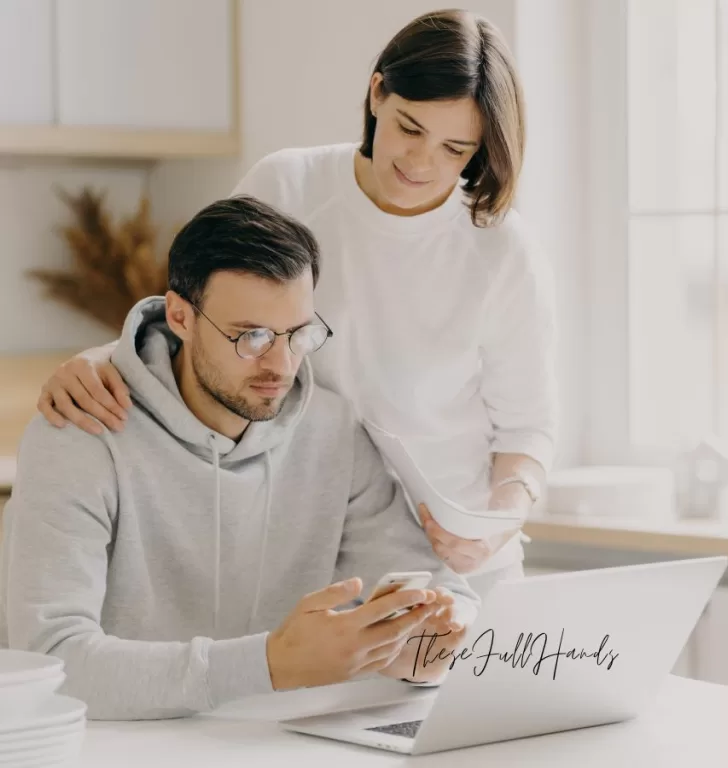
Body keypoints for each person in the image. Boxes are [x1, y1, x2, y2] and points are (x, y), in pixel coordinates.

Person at [34, 8, 558, 599]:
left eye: (455, 149)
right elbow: (203, 315)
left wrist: (498, 521)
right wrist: (101, 362)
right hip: (309, 555)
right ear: (378, 92)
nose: (421, 163)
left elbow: (527, 428)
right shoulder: (289, 186)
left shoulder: (501, 249)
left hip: (458, 569)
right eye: (410, 128)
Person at [0, 196, 479, 721]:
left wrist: (426, 652)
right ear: (180, 315)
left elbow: (441, 591)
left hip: (280, 744)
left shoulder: (333, 430)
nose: (281, 364)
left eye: (298, 334)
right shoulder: (81, 431)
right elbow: (52, 662)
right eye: (251, 336)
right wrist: (269, 666)